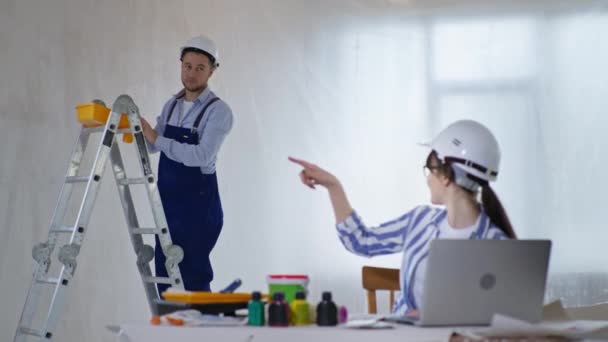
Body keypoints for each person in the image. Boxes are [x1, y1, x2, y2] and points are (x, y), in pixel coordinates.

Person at [289, 119, 516, 317]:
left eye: (429, 169)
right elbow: (360, 240)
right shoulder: (419, 221)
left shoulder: (497, 245)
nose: (427, 179)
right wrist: (333, 186)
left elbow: (506, 315)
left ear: (445, 175)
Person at [141, 34, 234, 294]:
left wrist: (156, 137)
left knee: (191, 279)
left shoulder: (219, 111)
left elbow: (201, 156)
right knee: (165, 276)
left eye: (200, 68)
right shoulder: (171, 105)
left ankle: (200, 334)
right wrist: (134, 129)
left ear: (212, 71)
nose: (191, 74)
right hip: (168, 206)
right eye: (187, 66)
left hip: (198, 210)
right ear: (181, 65)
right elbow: (152, 146)